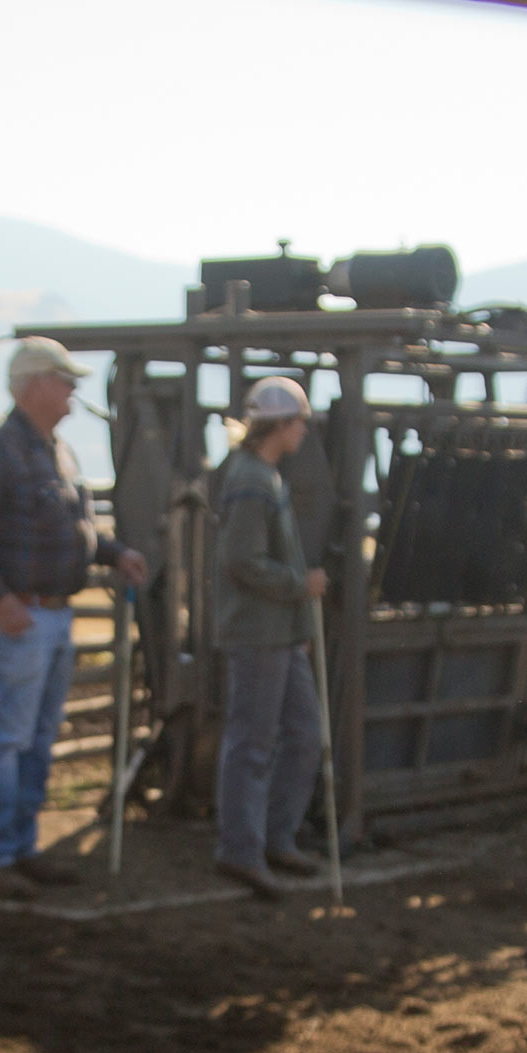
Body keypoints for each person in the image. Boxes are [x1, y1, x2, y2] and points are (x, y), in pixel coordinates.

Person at [0, 336, 147, 899]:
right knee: (9, 737)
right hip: (23, 616)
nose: (73, 391)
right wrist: (0, 600)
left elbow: (72, 530)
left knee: (34, 739)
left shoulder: (55, 451)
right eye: (64, 380)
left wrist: (112, 552)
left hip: (52, 616)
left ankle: (20, 848)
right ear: (34, 384)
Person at [208, 375, 331, 900]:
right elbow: (242, 562)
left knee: (304, 735)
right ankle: (242, 850)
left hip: (280, 631)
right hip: (259, 630)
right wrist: (298, 587)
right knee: (253, 743)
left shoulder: (265, 476)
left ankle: (276, 837)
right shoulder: (252, 480)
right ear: (279, 425)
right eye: (299, 420)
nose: (304, 429)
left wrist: (298, 625)